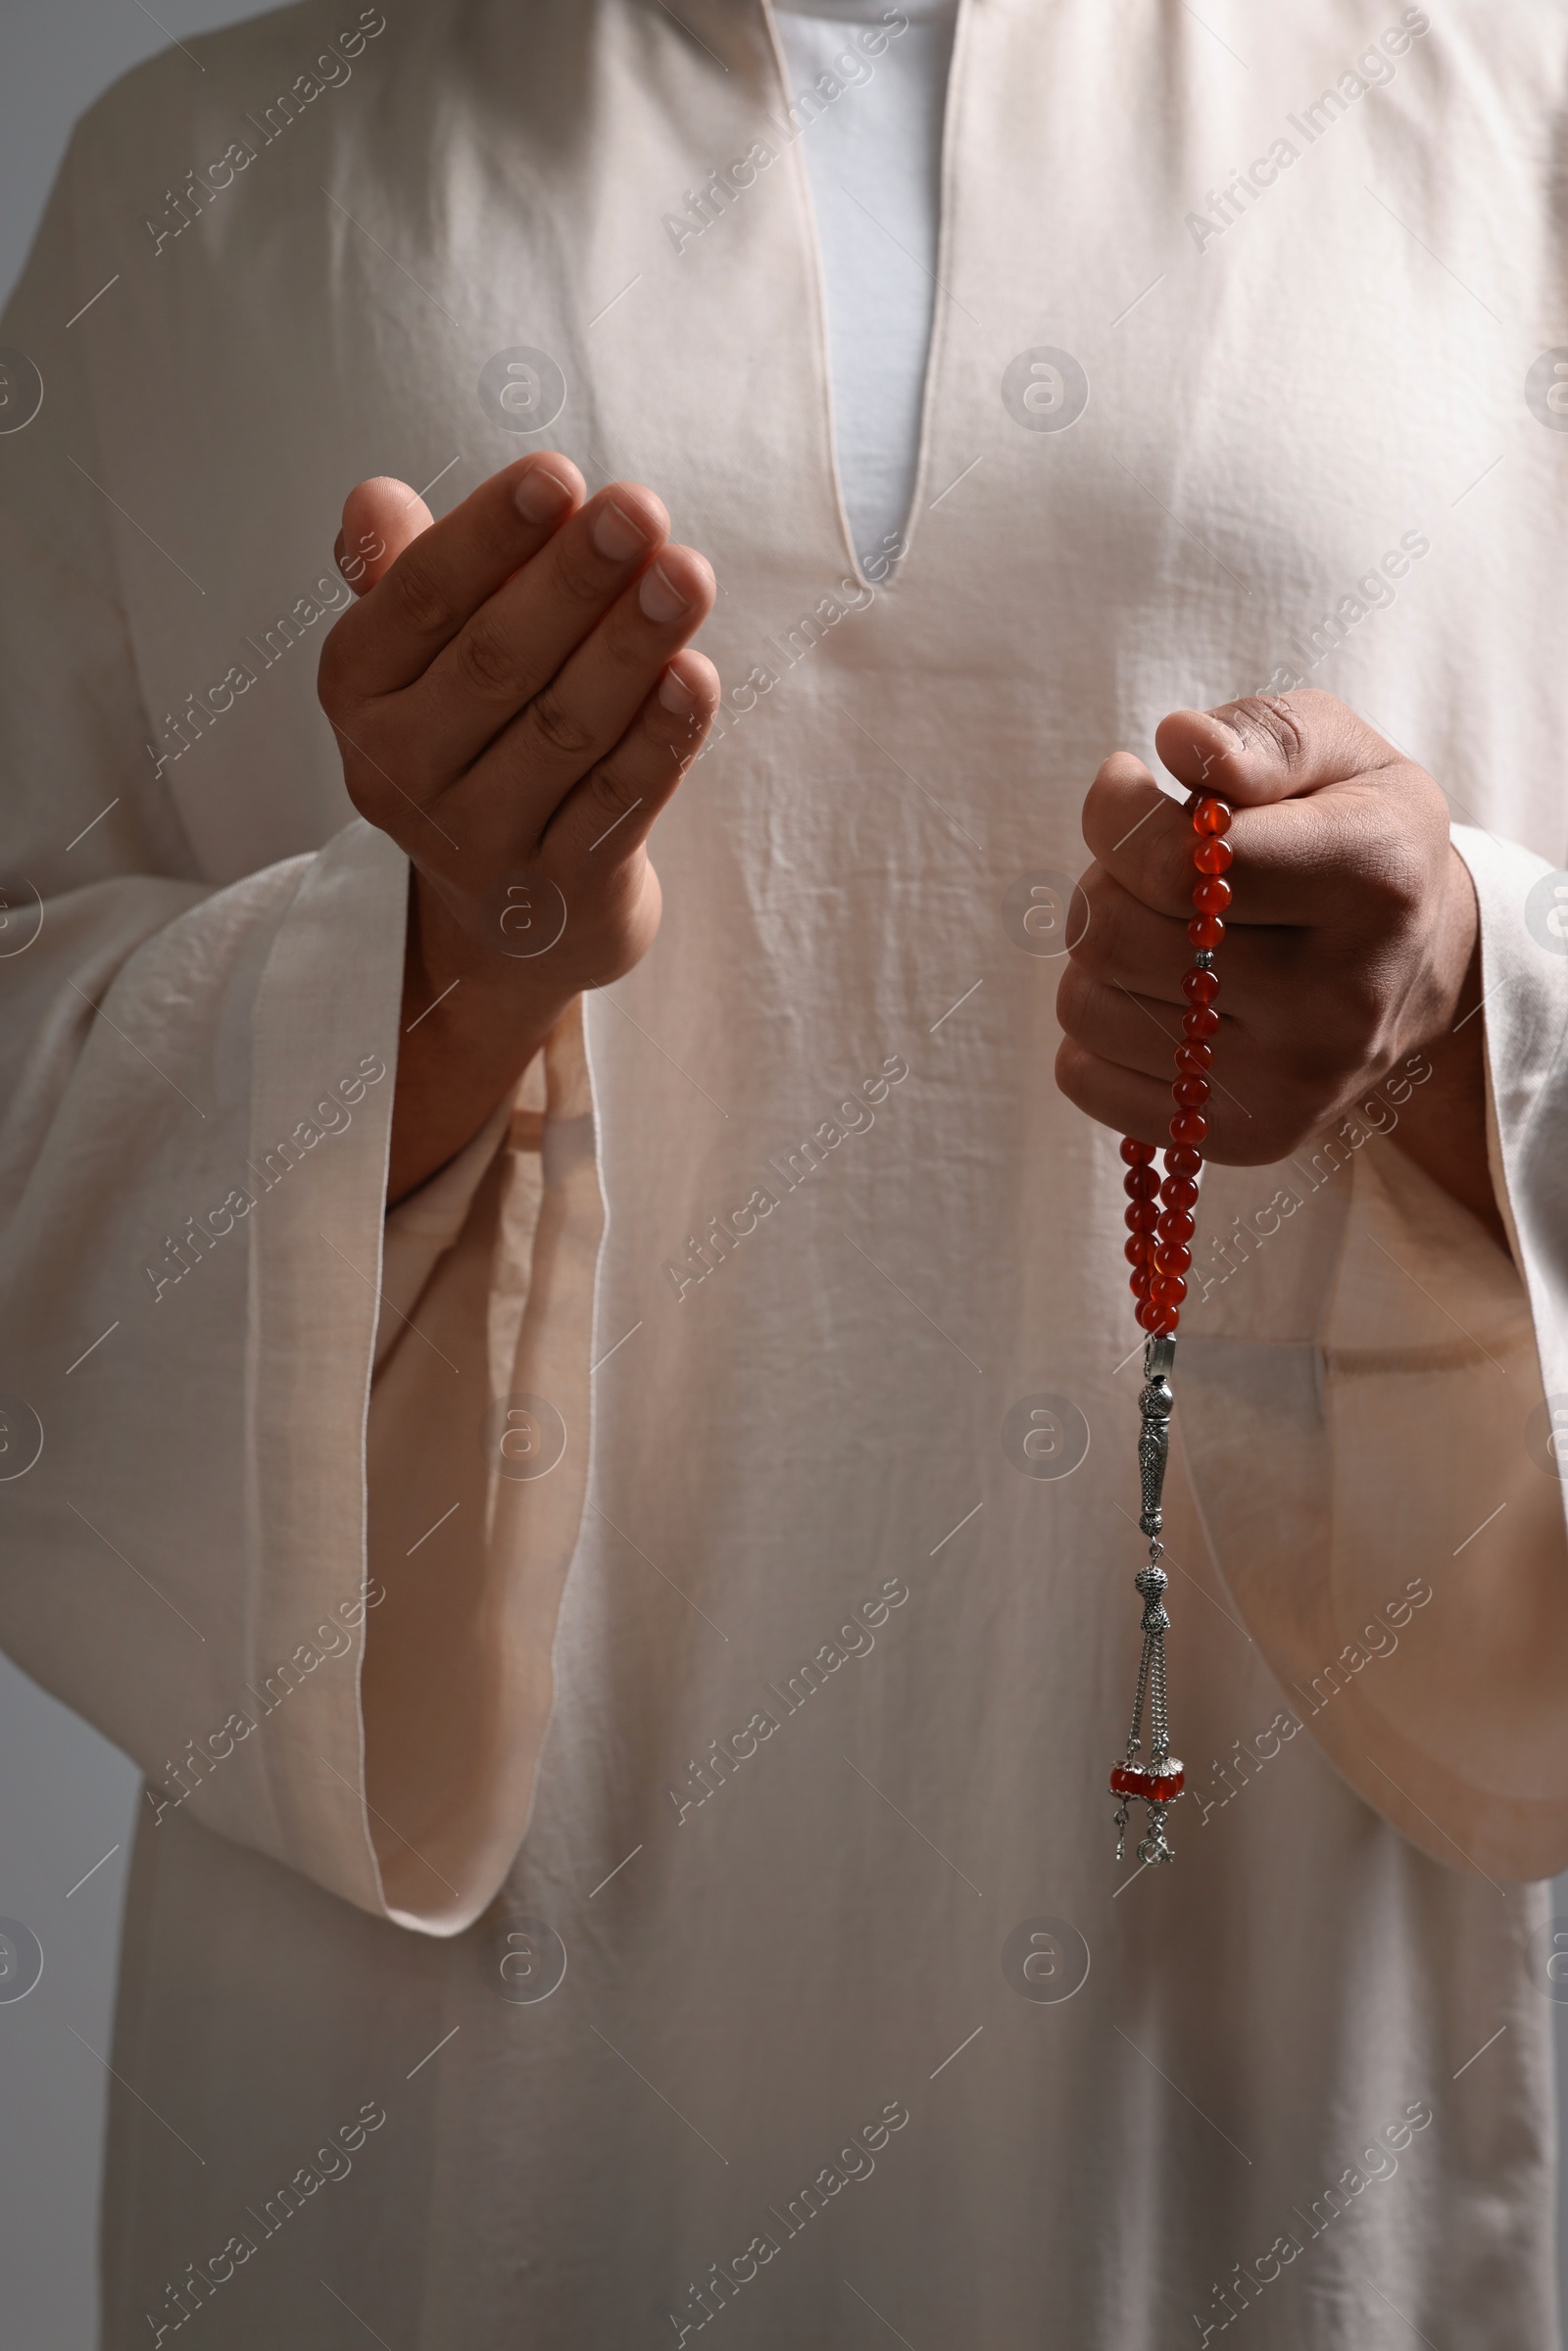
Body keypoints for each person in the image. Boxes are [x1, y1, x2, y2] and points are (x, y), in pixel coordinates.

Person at [2, 0, 1566, 2341]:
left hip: (1253, 2065)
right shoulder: (205, 182)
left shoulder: (1504, 101)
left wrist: (1464, 1020)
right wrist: (411, 989)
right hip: (434, 2144)